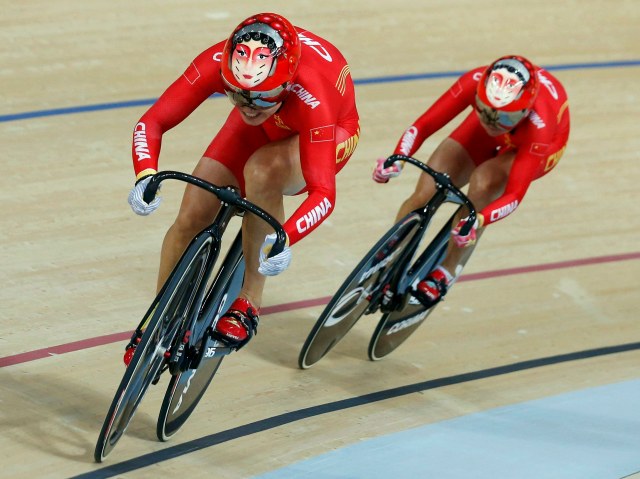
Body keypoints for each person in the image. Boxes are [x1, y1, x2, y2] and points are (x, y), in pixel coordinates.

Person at [126, 12, 359, 356]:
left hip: (328, 133)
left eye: (262, 96)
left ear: (287, 81)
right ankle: (159, 322)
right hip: (270, 125)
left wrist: (285, 238)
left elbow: (324, 193)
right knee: (194, 210)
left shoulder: (313, 95)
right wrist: (145, 173)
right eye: (236, 95)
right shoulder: (221, 63)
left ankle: (248, 301)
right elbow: (153, 121)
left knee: (262, 171)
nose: (249, 107)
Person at [373, 54, 569, 307]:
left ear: (525, 110)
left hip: (536, 147)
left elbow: (514, 195)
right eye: (485, 110)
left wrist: (479, 219)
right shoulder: (476, 84)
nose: (494, 123)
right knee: (427, 188)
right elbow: (422, 125)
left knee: (484, 181)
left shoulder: (539, 126)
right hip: (502, 130)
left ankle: (446, 270)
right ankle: (391, 254)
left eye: (505, 117)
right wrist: (398, 158)